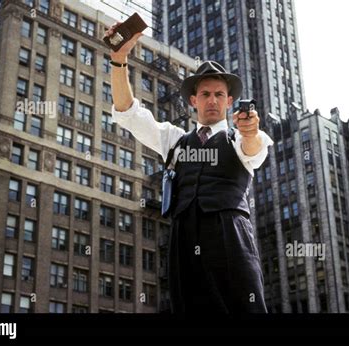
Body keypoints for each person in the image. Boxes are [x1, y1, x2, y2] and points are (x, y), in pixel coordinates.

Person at [107, 24, 273, 313]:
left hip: (230, 237)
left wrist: (249, 131)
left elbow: (254, 149)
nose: (212, 100)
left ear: (229, 100)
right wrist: (119, 58)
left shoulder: (238, 138)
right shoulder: (174, 140)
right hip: (183, 239)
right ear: (193, 100)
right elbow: (128, 113)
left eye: (219, 95)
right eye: (205, 94)